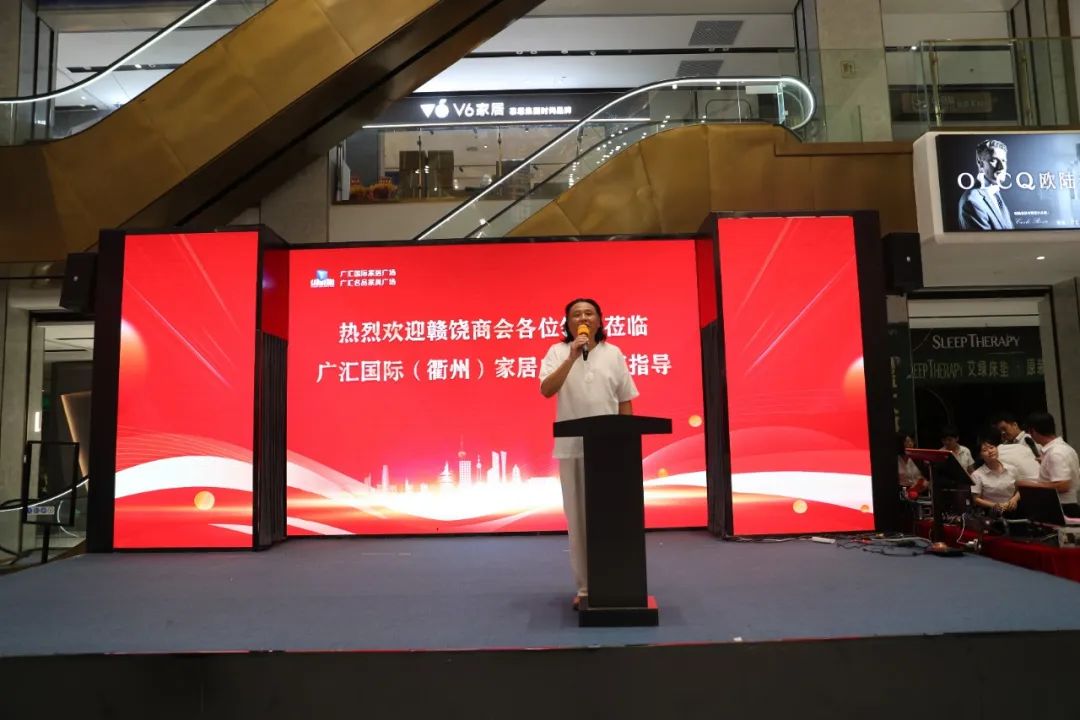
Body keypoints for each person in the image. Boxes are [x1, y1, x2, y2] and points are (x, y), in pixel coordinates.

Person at [539, 298, 638, 608]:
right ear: (567, 323)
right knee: (579, 521)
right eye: (576, 314)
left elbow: (625, 399)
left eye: (589, 313)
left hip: (609, 449)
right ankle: (585, 588)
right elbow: (546, 389)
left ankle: (615, 581)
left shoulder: (614, 353)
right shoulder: (557, 352)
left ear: (599, 320)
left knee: (612, 517)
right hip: (571, 448)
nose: (583, 318)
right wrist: (571, 356)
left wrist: (626, 442)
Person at [1022, 412, 1080, 518]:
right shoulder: (1064, 447)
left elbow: (1063, 485)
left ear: (1033, 431)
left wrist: (1030, 485)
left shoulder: (1056, 453)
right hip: (1066, 505)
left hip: (1062, 507)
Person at [958, 139, 1014, 231]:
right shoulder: (972, 201)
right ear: (980, 164)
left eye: (1003, 160)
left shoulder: (995, 193)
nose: (1001, 167)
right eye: (994, 160)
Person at [970, 428, 1019, 516]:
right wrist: (995, 505)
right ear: (980, 456)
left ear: (997, 448)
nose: (990, 451)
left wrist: (1014, 499)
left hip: (1012, 511)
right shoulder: (977, 475)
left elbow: (1019, 490)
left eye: (992, 447)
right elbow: (975, 499)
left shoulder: (1011, 468)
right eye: (985, 450)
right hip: (990, 514)